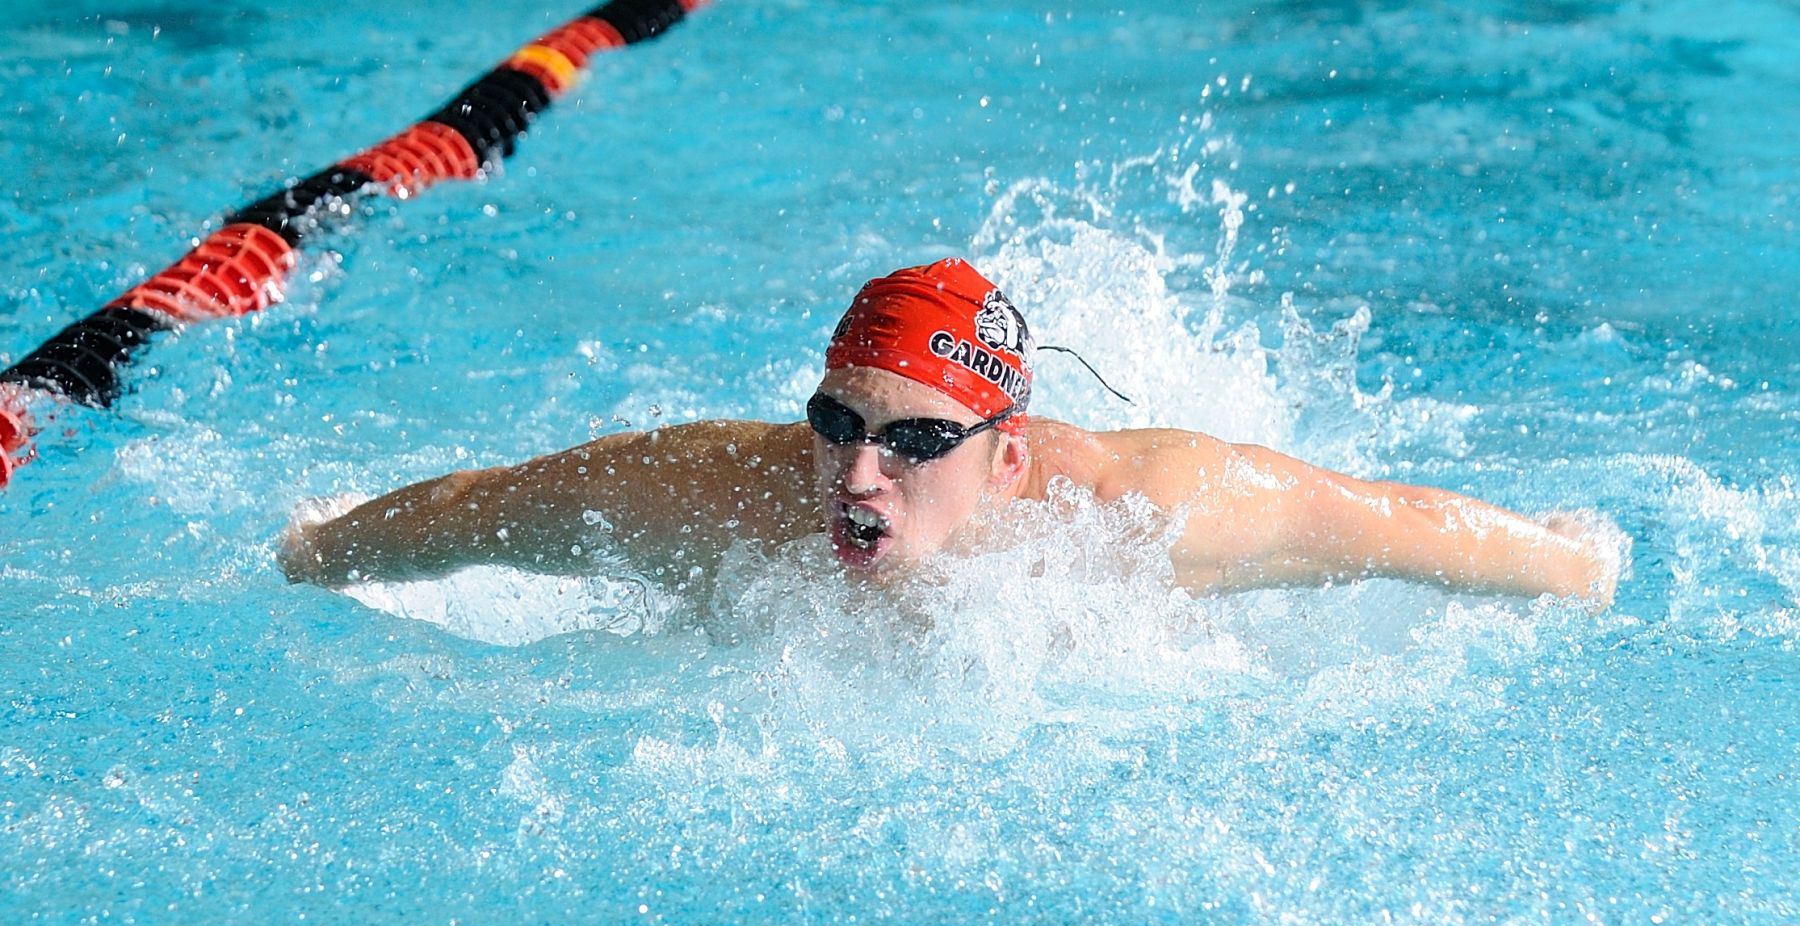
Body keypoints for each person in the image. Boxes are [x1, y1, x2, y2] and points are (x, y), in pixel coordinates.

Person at [279, 258, 1619, 609]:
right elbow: (492, 508)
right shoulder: (720, 495)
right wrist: (323, 550)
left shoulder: (1145, 517)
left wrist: (1572, 560)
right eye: (835, 424)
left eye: (915, 443)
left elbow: (1388, 523)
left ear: (1011, 457)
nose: (857, 474)